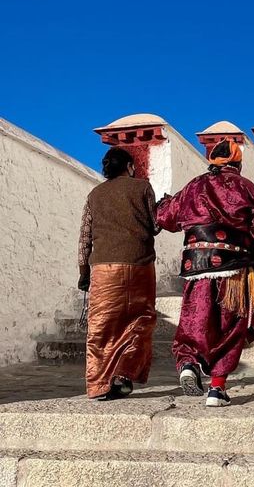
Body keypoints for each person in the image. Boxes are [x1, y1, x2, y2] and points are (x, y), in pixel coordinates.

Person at [156, 138, 254, 407]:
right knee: (231, 326)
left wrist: (163, 204)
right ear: (238, 163)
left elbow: (167, 217)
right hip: (235, 267)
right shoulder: (246, 187)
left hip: (195, 265)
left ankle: (189, 362)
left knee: (195, 319)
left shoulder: (195, 185)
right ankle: (217, 390)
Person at [78, 147, 159, 400]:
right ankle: (124, 374)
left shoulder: (94, 195)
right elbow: (155, 225)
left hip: (104, 269)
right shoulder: (142, 188)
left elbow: (84, 238)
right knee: (140, 321)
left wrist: (84, 272)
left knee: (102, 327)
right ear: (129, 166)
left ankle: (99, 383)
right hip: (140, 266)